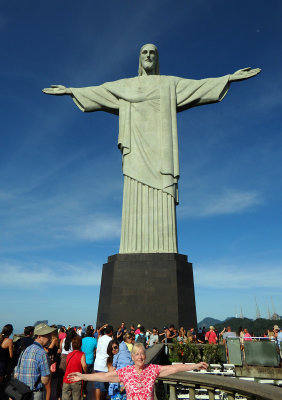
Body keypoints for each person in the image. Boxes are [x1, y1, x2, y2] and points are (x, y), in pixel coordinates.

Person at [43, 44, 260, 254]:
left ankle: (163, 247)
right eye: (144, 52)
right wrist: (70, 91)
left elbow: (199, 86)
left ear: (157, 59)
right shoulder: (125, 85)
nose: (148, 55)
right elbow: (100, 92)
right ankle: (131, 247)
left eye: (152, 53)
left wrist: (229, 78)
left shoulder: (169, 83)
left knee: (162, 195)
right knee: (133, 192)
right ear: (139, 58)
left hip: (161, 152)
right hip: (136, 150)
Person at [68, 343, 208, 400]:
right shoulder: (126, 372)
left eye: (142, 354)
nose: (140, 357)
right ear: (132, 357)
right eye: (137, 354)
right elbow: (105, 376)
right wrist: (83, 376)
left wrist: (195, 366)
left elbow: (174, 368)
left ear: (145, 356)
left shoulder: (152, 369)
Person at [15, 323, 56, 400]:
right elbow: (45, 380)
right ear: (39, 336)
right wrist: (48, 366)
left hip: (21, 391)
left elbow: (16, 373)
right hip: (35, 393)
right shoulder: (42, 353)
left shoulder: (26, 350)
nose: (50, 338)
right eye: (48, 335)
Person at [62, 336, 87, 400]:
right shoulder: (82, 354)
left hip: (67, 379)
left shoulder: (69, 354)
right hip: (76, 380)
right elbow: (84, 366)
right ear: (80, 345)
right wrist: (86, 374)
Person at [94, 324, 114, 400]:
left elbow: (98, 331)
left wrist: (103, 326)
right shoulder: (110, 341)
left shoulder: (100, 338)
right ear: (111, 332)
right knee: (104, 388)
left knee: (97, 387)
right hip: (104, 366)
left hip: (97, 364)